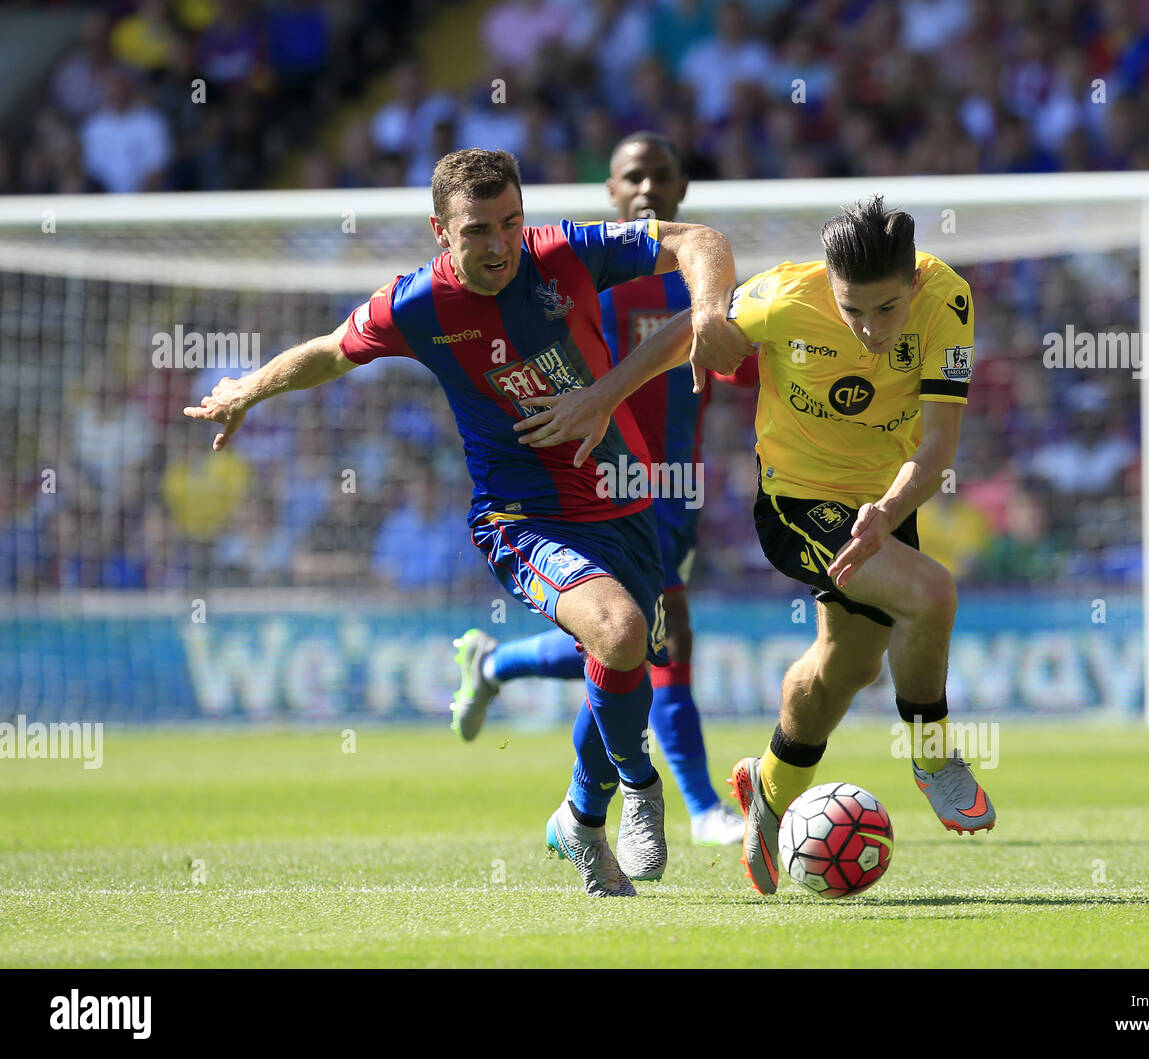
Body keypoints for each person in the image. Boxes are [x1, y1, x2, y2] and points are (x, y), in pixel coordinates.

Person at [183, 148, 749, 896]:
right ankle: (641, 790)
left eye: (510, 222)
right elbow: (330, 351)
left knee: (623, 653)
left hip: (624, 497)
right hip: (523, 516)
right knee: (617, 631)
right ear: (440, 230)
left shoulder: (563, 253)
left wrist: (703, 314)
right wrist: (250, 389)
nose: (500, 244)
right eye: (478, 229)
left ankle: (578, 818)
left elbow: (697, 241)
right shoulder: (415, 304)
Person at [516, 196, 996, 896]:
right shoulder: (785, 294)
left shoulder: (949, 301)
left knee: (847, 665)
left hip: (884, 501)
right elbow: (686, 330)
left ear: (914, 286)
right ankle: (932, 755)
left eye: (886, 310)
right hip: (797, 502)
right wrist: (605, 395)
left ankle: (766, 795)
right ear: (829, 282)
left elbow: (939, 445)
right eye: (852, 308)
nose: (868, 328)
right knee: (932, 593)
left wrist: (887, 509)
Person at [450, 131, 745, 846]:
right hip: (595, 487)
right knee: (653, 640)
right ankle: (696, 806)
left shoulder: (706, 283)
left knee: (632, 638)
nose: (646, 188)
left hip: (672, 489)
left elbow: (746, 369)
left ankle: (493, 663)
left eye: (660, 175)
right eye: (630, 178)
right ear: (610, 193)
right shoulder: (580, 283)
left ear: (681, 190)